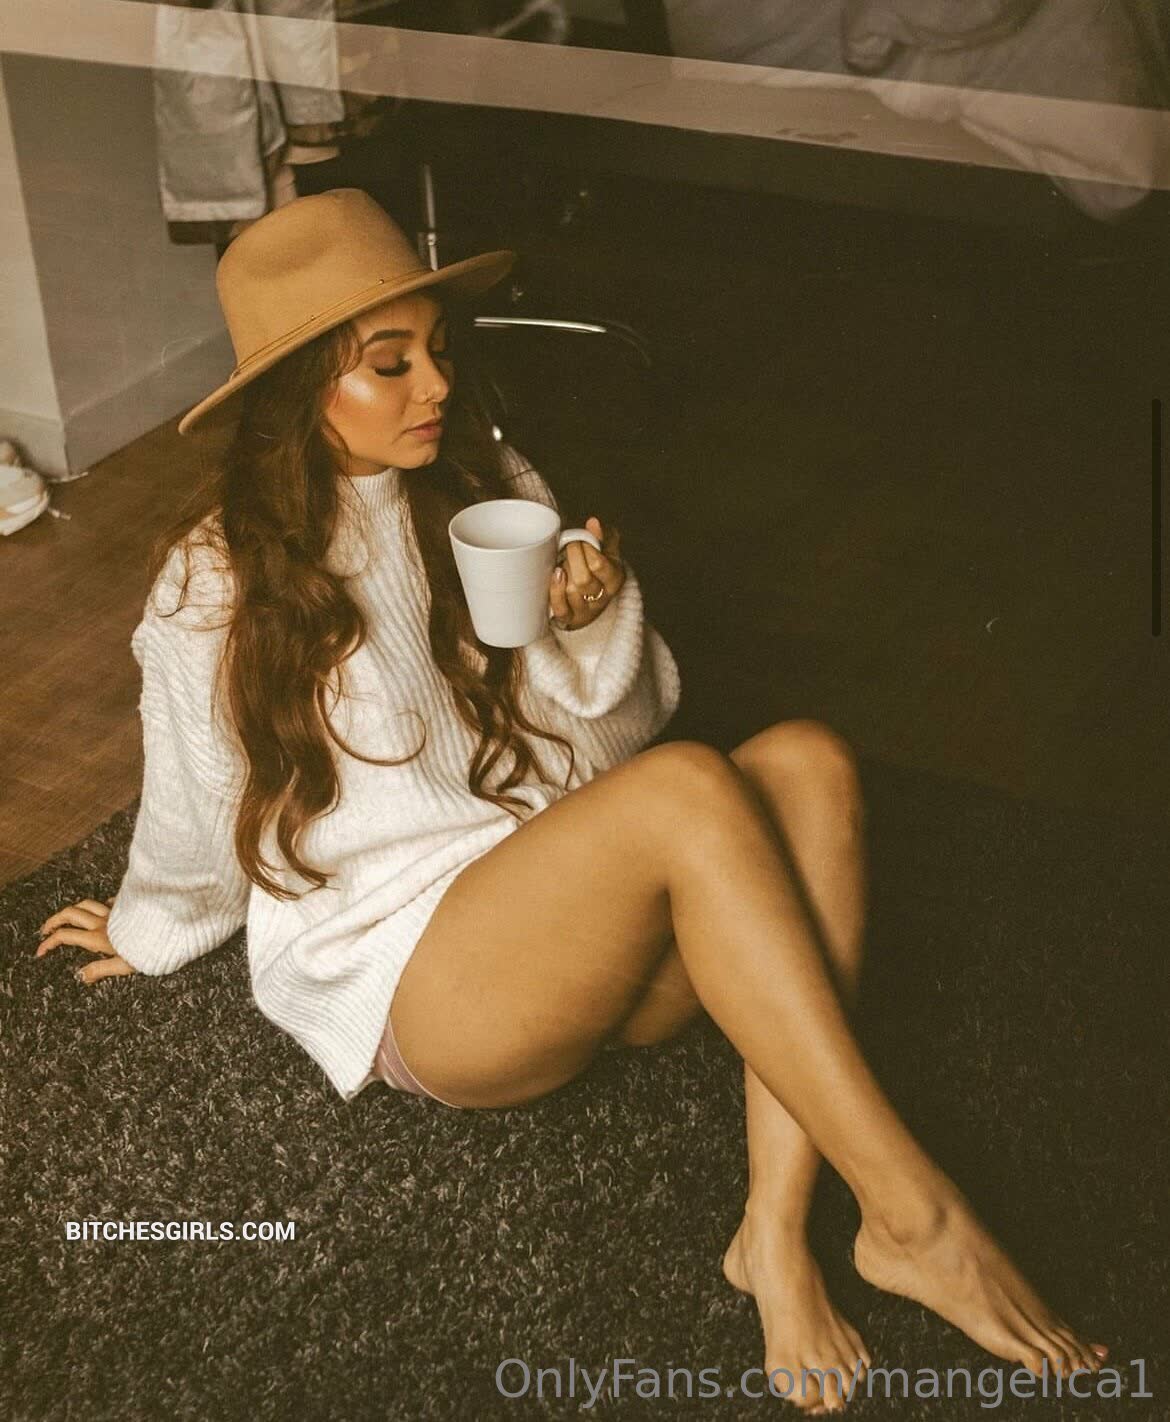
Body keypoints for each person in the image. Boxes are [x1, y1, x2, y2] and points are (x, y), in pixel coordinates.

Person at [34, 188, 1108, 1414]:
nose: (437, 385)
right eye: (390, 364)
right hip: (428, 982)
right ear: (299, 397)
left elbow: (612, 748)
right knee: (691, 789)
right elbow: (197, 797)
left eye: (439, 350)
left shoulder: (487, 488)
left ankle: (775, 1233)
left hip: (573, 926)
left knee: (808, 761)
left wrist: (586, 630)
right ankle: (915, 1211)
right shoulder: (214, 583)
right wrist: (152, 926)